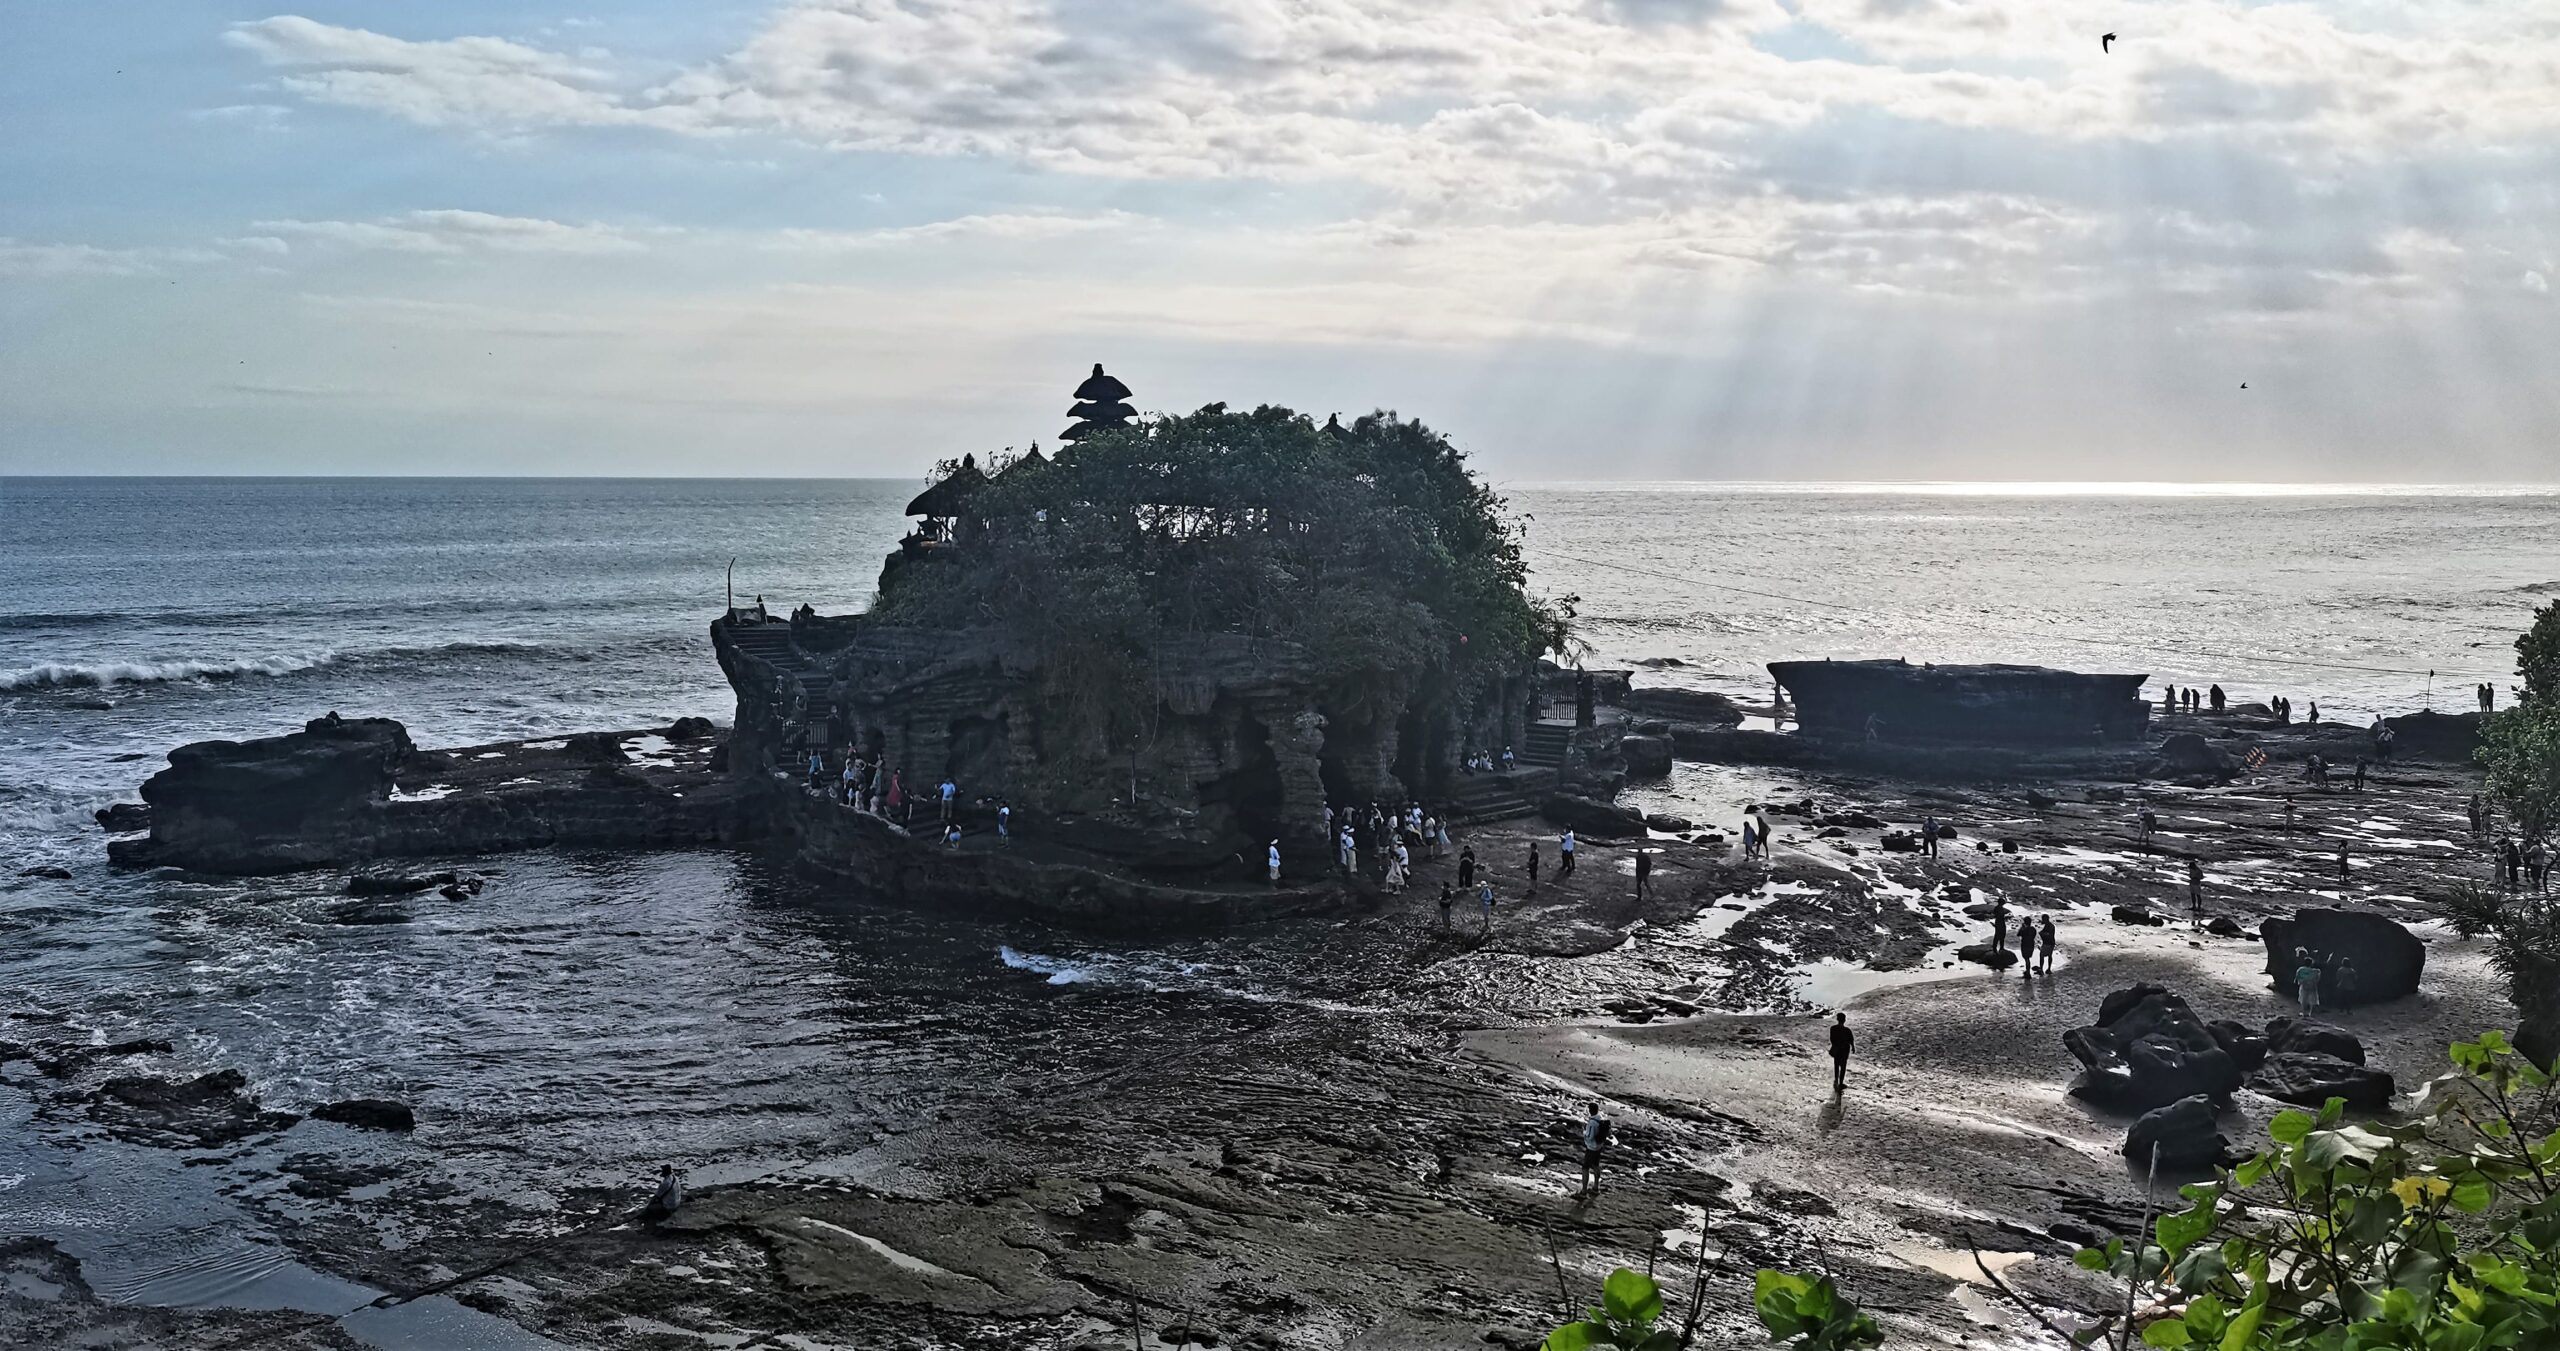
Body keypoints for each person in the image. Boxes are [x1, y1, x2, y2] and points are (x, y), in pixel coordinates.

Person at [1577, 1102, 1612, 1196]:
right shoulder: (1600, 1118)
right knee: (1596, 1165)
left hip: (1592, 1147)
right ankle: (1596, 1187)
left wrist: (1584, 1132)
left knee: (1585, 1168)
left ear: (1589, 1110)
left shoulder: (1592, 1123)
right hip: (1599, 1146)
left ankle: (1584, 1191)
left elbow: (1590, 1136)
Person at [1828, 1012, 1853, 1090]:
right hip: (1845, 1050)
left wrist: (1835, 1045)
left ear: (1837, 1019)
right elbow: (1851, 1040)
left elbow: (1832, 1039)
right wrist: (1853, 1047)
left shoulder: (1833, 1028)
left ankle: (1836, 1081)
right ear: (1844, 1020)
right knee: (1843, 1066)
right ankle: (1841, 1083)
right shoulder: (1847, 1030)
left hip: (1837, 1049)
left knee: (1836, 1065)